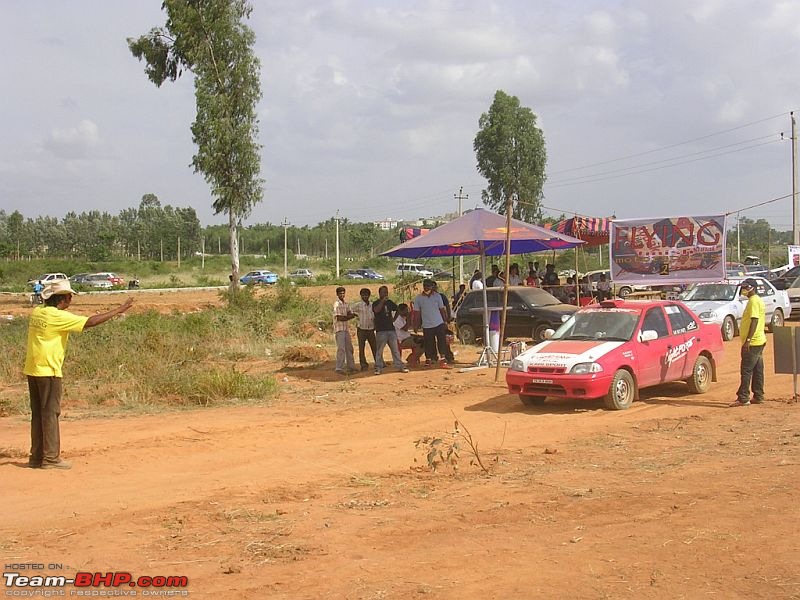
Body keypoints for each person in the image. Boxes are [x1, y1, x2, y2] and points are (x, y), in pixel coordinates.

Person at [24, 280, 133, 469]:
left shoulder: (38, 312)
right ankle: (50, 459)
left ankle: (36, 457)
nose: (71, 299)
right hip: (49, 371)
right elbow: (89, 322)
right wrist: (119, 310)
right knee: (50, 413)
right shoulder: (58, 317)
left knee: (38, 414)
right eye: (69, 296)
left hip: (33, 369)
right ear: (61, 299)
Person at [730, 279, 766, 407]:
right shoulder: (755, 301)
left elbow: (754, 321)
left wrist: (748, 340)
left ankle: (743, 397)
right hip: (759, 340)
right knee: (757, 370)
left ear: (752, 288)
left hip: (753, 342)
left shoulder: (754, 301)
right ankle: (758, 395)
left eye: (745, 287)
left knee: (746, 370)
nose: (743, 290)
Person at [413, 279, 452, 368]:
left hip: (439, 323)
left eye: (428, 285)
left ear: (432, 286)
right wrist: (416, 324)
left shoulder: (437, 296)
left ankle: (443, 361)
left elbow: (442, 309)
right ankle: (428, 361)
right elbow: (417, 313)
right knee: (428, 343)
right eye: (425, 285)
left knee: (441, 342)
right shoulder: (419, 298)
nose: (426, 287)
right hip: (427, 325)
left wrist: (445, 321)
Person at [372, 285, 408, 374]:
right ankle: (378, 367)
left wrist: (394, 319)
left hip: (391, 329)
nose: (385, 294)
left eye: (386, 292)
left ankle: (399, 365)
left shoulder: (390, 302)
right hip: (381, 330)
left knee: (395, 349)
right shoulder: (376, 303)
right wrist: (382, 302)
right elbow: (376, 310)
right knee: (379, 350)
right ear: (380, 293)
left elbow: (398, 309)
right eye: (384, 292)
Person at [352, 288, 377, 371]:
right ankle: (363, 365)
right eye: (363, 295)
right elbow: (350, 310)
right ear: (361, 296)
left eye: (366, 295)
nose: (365, 297)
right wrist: (355, 316)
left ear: (369, 295)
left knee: (374, 347)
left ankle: (378, 362)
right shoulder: (358, 305)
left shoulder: (372, 305)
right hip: (361, 329)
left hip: (370, 329)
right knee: (361, 348)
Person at [333, 287, 357, 374]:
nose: (342, 295)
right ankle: (339, 367)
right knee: (341, 349)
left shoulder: (345, 304)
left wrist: (351, 315)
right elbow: (339, 317)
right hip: (339, 329)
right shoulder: (337, 304)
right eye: (340, 293)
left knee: (349, 348)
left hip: (345, 329)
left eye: (343, 293)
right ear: (337, 294)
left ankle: (351, 366)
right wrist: (349, 317)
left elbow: (350, 312)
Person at [432, 281, 455, 363]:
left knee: (444, 340)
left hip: (441, 321)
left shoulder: (441, 296)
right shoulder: (427, 298)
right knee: (432, 341)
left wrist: (448, 317)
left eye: (434, 287)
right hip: (431, 322)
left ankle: (448, 356)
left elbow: (447, 306)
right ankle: (434, 357)